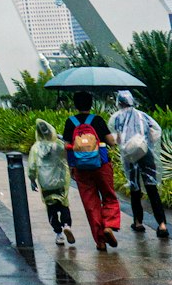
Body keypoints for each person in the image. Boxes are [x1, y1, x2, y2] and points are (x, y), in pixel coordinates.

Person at [62, 93, 121, 251]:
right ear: (91, 104)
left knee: (91, 204)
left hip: (81, 168)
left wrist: (71, 167)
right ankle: (109, 225)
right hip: (101, 164)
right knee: (109, 196)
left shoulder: (70, 122)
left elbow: (66, 147)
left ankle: (100, 241)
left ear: (75, 105)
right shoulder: (97, 120)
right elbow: (111, 142)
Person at [110, 91, 168, 237]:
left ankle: (138, 222)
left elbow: (115, 138)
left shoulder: (117, 118)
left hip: (130, 156)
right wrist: (147, 142)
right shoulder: (143, 115)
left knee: (135, 188)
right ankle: (162, 225)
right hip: (145, 153)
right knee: (151, 187)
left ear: (120, 103)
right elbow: (157, 130)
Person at [27, 119, 76, 245]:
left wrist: (32, 180)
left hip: (45, 183)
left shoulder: (36, 148)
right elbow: (68, 155)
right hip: (60, 181)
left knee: (51, 208)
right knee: (64, 204)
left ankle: (59, 233)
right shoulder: (58, 145)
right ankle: (66, 225)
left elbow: (32, 166)